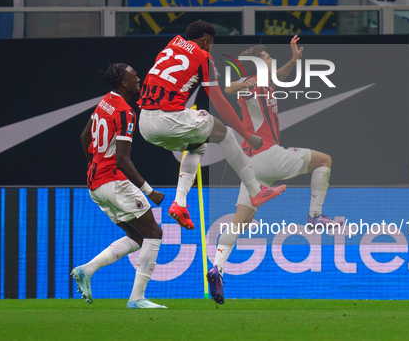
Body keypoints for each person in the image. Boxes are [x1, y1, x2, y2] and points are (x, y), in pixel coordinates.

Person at [207, 36, 342, 304]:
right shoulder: (253, 84)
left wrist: (293, 60)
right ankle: (315, 216)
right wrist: (244, 83)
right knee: (324, 161)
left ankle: (217, 267)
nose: (271, 60)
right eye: (267, 57)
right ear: (258, 64)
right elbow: (229, 88)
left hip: (251, 166)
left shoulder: (267, 81)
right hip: (268, 155)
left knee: (240, 221)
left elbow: (278, 74)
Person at [139, 19, 286, 230]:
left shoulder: (170, 46)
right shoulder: (203, 56)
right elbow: (220, 103)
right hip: (169, 118)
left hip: (145, 123)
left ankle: (179, 203)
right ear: (206, 41)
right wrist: (245, 133)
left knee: (198, 143)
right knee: (225, 134)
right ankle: (255, 190)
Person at [71, 63, 167, 309]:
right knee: (154, 233)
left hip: (95, 184)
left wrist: (95, 166)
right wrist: (150, 191)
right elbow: (122, 160)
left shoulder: (105, 103)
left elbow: (84, 138)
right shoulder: (125, 111)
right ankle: (137, 299)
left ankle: (87, 270)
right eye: (134, 75)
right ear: (123, 82)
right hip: (113, 181)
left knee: (137, 235)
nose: (138, 78)